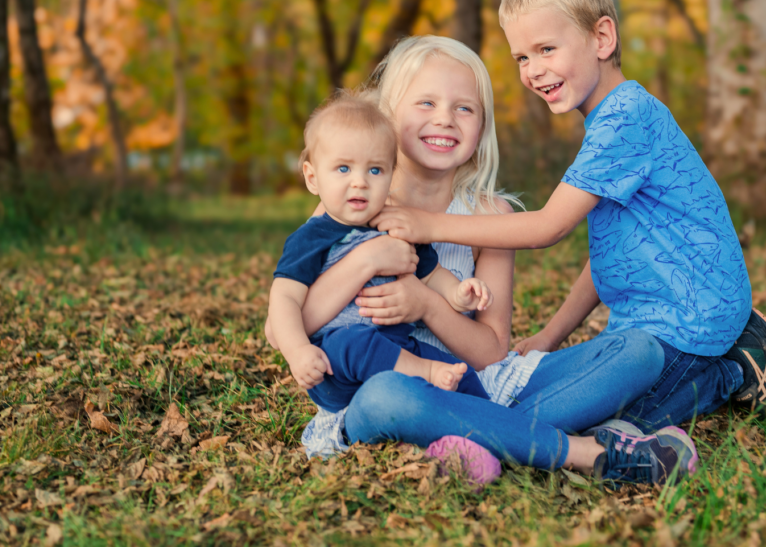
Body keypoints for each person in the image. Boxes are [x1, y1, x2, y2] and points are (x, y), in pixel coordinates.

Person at [372, 0, 766, 440]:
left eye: (546, 49)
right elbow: (609, 257)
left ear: (602, 38)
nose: (534, 70)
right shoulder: (608, 123)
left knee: (606, 423)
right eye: (522, 57)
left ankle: (735, 367)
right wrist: (549, 337)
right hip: (646, 323)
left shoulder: (626, 120)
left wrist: (427, 225)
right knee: (578, 396)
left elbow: (547, 228)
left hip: (690, 317)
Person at [290, 35, 694, 486]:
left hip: (481, 386)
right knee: (389, 395)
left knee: (638, 352)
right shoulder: (351, 203)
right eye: (425, 102)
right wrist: (367, 260)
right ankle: (581, 451)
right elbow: (290, 320)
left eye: (465, 108)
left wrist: (426, 304)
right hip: (380, 391)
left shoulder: (490, 216)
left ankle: (475, 437)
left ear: (482, 126)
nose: (445, 118)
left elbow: (489, 352)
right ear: (388, 115)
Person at [266, 95, 494, 414]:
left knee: (459, 371)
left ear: (390, 176)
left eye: (375, 170)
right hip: (335, 365)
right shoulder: (311, 237)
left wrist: (458, 294)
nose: (359, 182)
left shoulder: (396, 227)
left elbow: (431, 275)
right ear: (312, 177)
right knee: (354, 343)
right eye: (343, 168)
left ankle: (494, 418)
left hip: (396, 349)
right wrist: (298, 352)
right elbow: (284, 299)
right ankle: (425, 373)